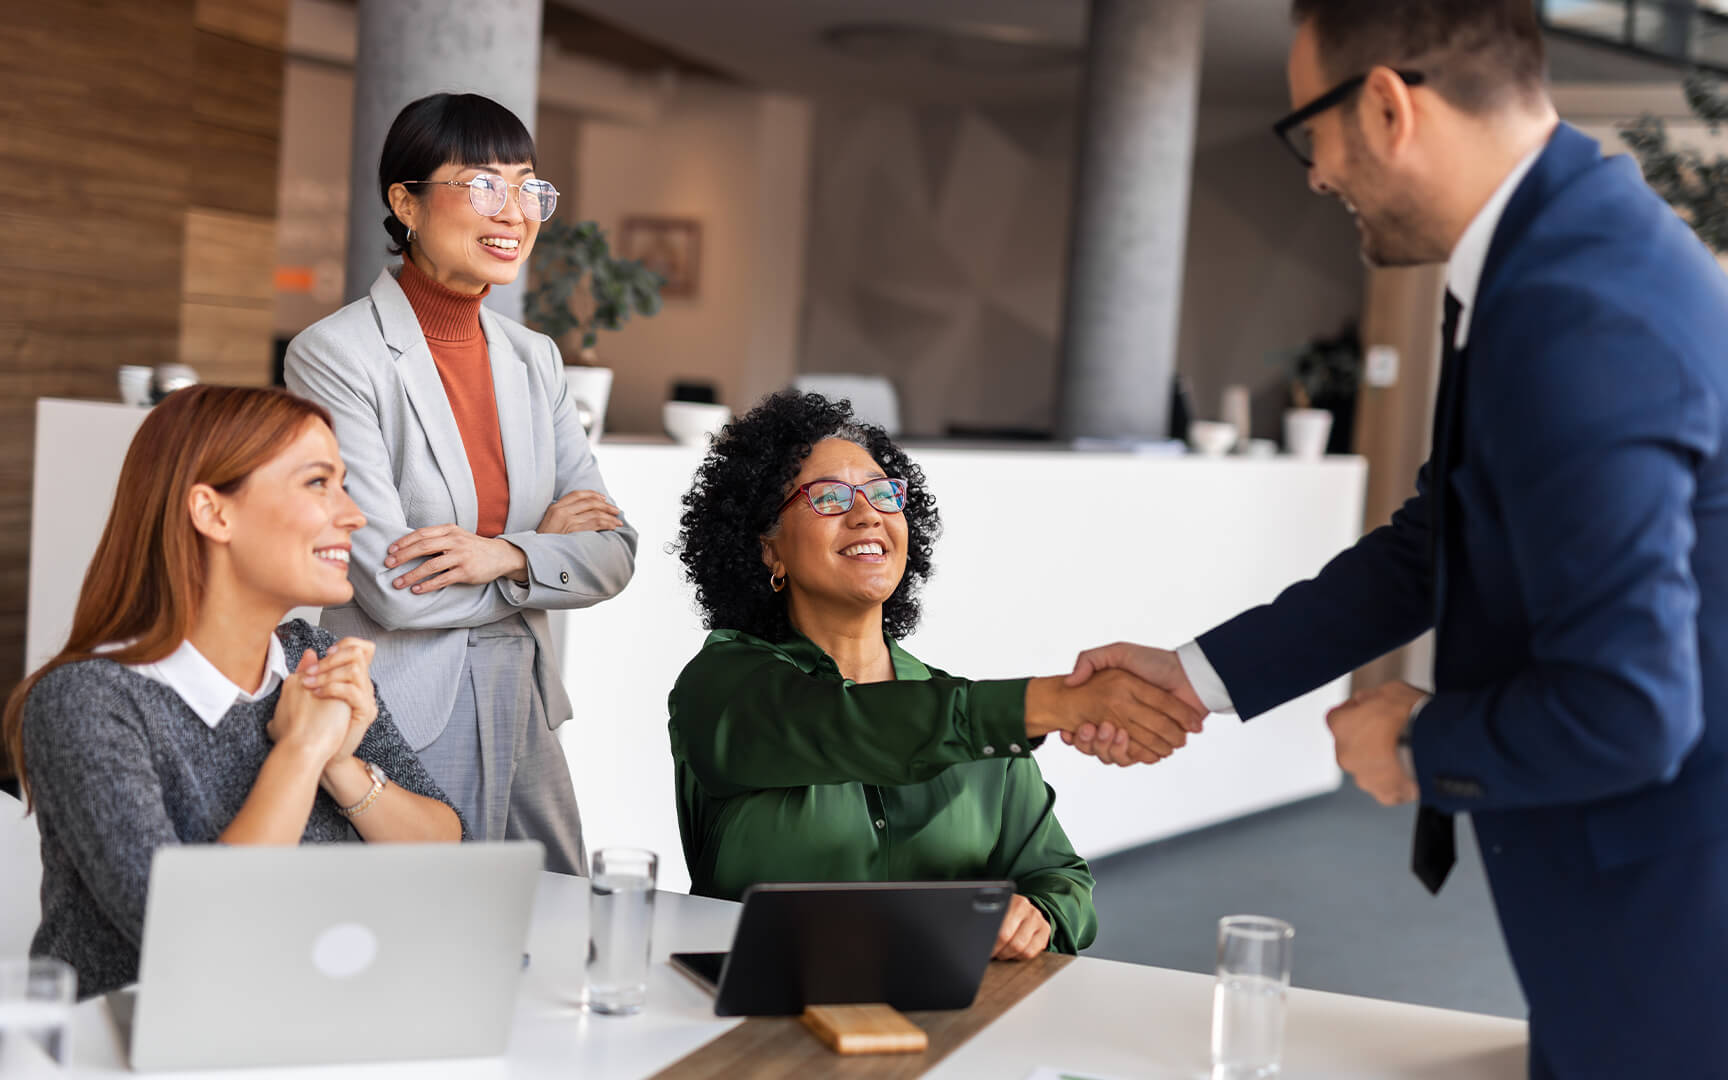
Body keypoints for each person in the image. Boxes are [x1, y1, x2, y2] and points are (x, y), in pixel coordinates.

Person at [1065, 1, 1728, 1075]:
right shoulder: (1550, 256)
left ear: (1385, 105)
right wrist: (1198, 676)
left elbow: (1634, 708)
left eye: (1309, 135)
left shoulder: (1579, 309)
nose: (1316, 174)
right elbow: (1443, 536)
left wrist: (1421, 743)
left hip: (1674, 926)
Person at [668, 392, 1203, 959]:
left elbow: (1061, 879)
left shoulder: (977, 720)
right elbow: (843, 726)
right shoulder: (722, 688)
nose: (868, 513)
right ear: (768, 548)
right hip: (754, 1022)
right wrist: (1057, 703)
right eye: (828, 497)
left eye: (881, 493)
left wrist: (1040, 914)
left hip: (943, 1023)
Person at [1, 387, 464, 999]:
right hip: (131, 1054)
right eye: (318, 483)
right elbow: (188, 936)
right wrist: (297, 753)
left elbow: (446, 848)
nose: (354, 515)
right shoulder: (88, 701)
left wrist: (337, 762)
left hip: (305, 1022)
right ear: (213, 513)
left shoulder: (312, 658)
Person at [286, 93, 637, 875]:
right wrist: (545, 552)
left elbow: (613, 552)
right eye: (482, 183)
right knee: (426, 933)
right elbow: (392, 586)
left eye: (527, 187)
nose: (513, 210)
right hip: (402, 703)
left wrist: (503, 555)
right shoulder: (337, 355)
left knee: (558, 920)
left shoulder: (534, 358)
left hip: (525, 696)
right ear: (405, 201)